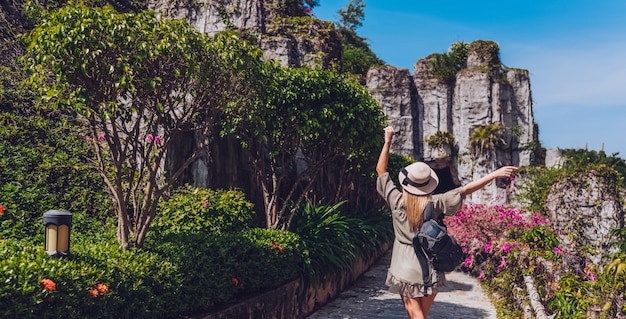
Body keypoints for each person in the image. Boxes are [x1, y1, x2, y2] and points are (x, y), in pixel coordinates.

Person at [376, 126, 518, 319]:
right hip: (431, 267)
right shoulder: (436, 202)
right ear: (428, 185)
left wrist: (388, 140)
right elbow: (465, 190)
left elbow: (381, 170)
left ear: (407, 183)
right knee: (421, 317)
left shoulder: (396, 200)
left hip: (404, 267)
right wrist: (494, 174)